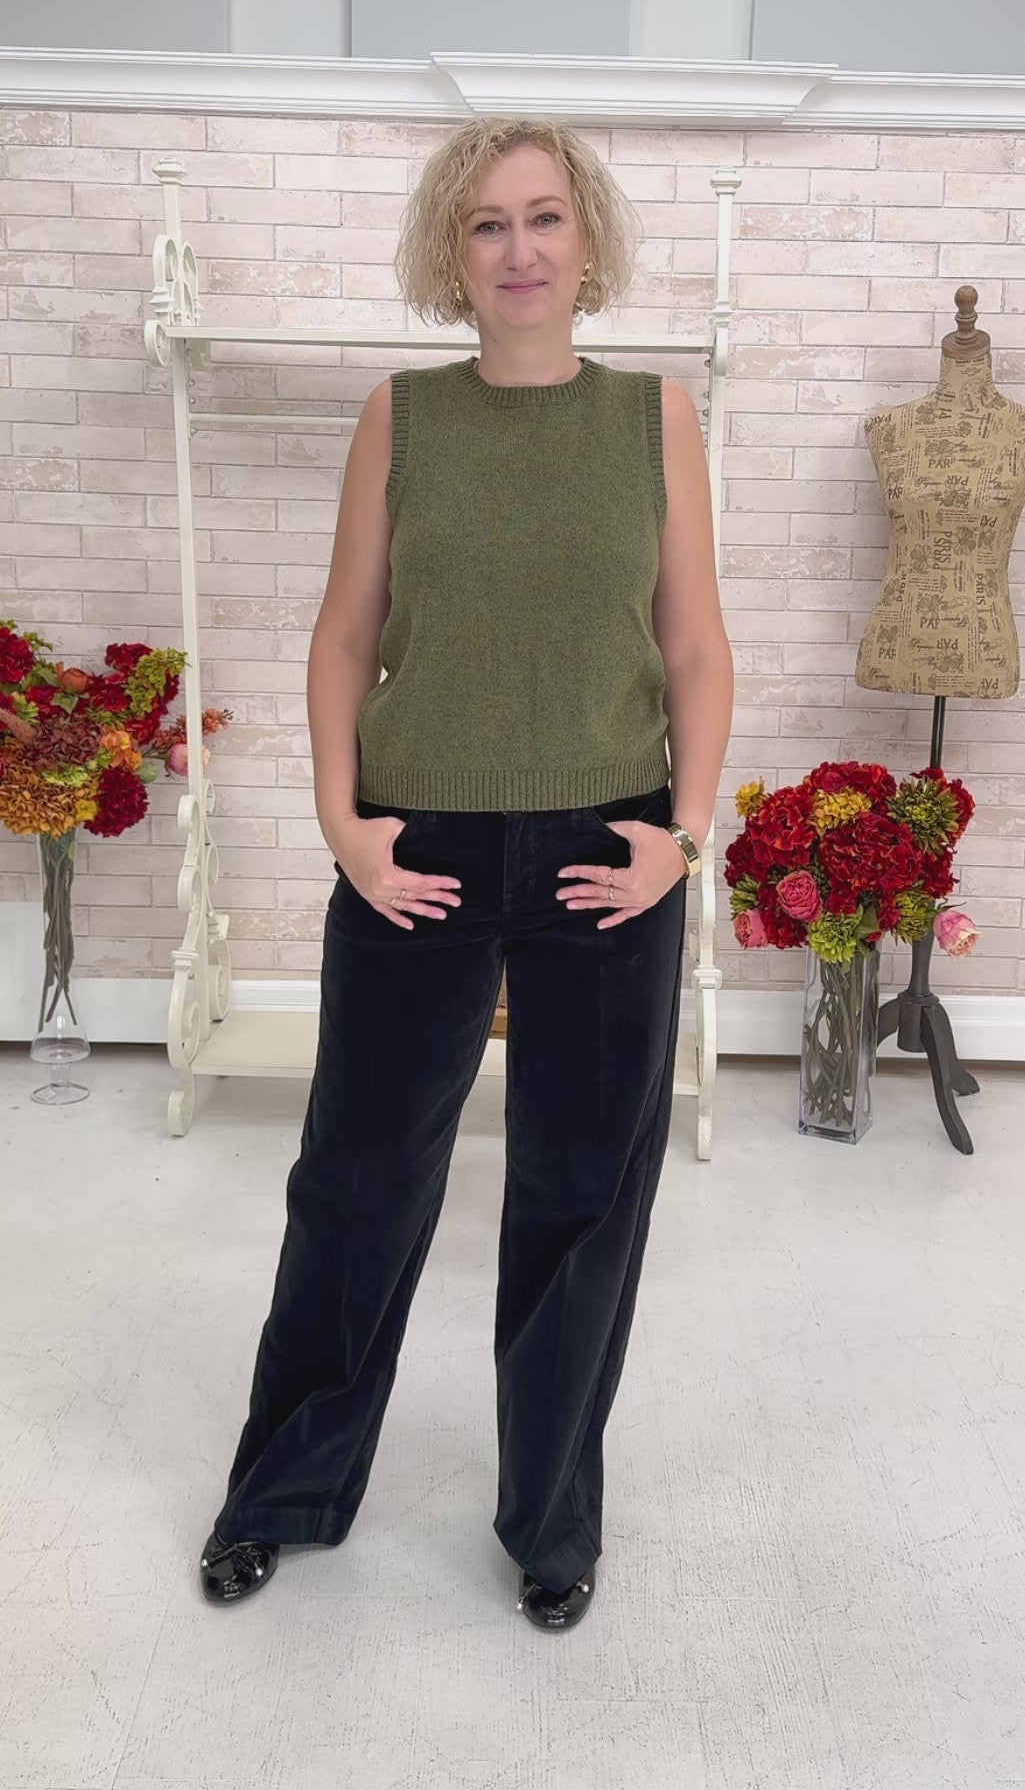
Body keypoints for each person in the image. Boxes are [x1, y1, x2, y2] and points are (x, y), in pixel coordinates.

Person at [198, 116, 733, 1631]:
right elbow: (341, 635)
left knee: (581, 1194)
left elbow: (696, 645)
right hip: (413, 850)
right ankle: (283, 1492)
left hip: (607, 853)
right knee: (357, 1182)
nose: (519, 248)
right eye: (488, 223)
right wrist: (341, 821)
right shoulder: (403, 416)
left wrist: (686, 836)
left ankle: (553, 1522)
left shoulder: (654, 418)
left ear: (587, 240)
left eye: (545, 217)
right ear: (454, 250)